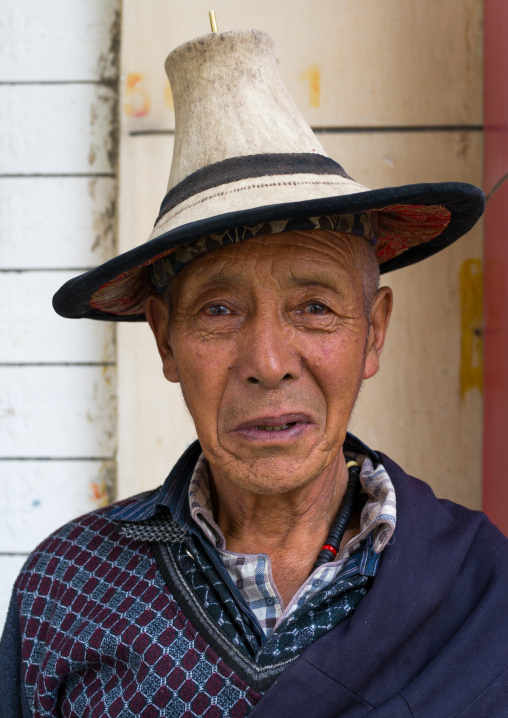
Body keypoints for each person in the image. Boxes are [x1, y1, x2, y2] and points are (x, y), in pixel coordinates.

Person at [1, 26, 507, 718]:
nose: (268, 364)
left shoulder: (480, 584)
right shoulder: (71, 587)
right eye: (217, 309)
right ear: (165, 340)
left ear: (373, 332)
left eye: (315, 308)